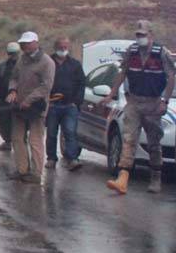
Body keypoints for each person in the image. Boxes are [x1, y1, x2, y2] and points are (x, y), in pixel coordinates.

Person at [101, 20, 175, 194]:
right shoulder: (132, 51)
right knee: (129, 139)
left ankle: (155, 177)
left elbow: (171, 76)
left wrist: (165, 101)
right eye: (138, 35)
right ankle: (123, 177)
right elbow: (123, 72)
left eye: (143, 35)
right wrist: (112, 93)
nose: (140, 38)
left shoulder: (161, 53)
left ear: (151, 35)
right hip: (134, 101)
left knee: (154, 142)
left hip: (153, 102)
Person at [6, 31, 55, 183]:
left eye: (27, 43)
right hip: (19, 106)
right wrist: (13, 90)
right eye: (22, 44)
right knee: (17, 138)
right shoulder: (22, 59)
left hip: (36, 107)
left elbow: (46, 86)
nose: (24, 46)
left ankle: (36, 173)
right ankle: (22, 169)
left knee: (35, 140)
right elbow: (14, 77)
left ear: (36, 43)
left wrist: (30, 99)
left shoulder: (47, 62)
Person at [45, 37, 86, 171]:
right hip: (52, 105)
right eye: (61, 46)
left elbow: (81, 84)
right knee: (51, 133)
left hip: (70, 106)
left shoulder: (75, 64)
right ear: (55, 47)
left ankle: (72, 159)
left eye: (65, 47)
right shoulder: (47, 62)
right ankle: (51, 158)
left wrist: (76, 102)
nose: (63, 49)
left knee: (70, 132)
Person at [0, 42, 20, 152]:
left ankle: (21, 142)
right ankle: (7, 141)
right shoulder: (2, 66)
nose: (13, 56)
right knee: (3, 121)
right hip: (3, 99)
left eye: (15, 53)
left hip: (18, 100)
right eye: (11, 53)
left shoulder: (23, 66)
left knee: (18, 123)